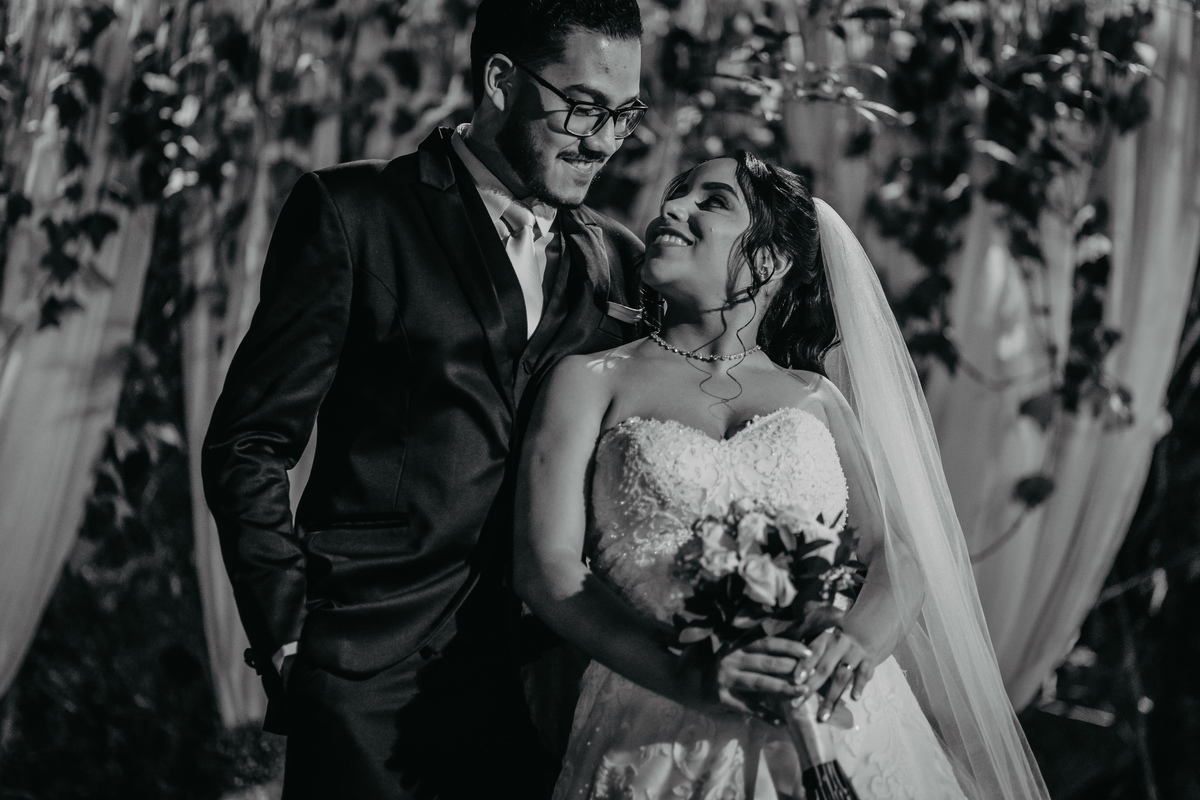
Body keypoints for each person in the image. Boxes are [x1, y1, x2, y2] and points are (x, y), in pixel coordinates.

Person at [201, 2, 653, 797]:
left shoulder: (618, 258)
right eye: (584, 107)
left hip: (542, 689)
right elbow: (248, 445)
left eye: (624, 115)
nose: (604, 141)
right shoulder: (354, 212)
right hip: (366, 677)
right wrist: (290, 640)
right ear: (501, 80)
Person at [515, 152, 1051, 799]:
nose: (671, 209)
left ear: (769, 261)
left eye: (712, 201)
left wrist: (858, 642)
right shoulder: (588, 380)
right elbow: (547, 567)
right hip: (656, 719)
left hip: (840, 720)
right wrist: (686, 674)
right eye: (676, 194)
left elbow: (895, 554)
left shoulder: (816, 397)